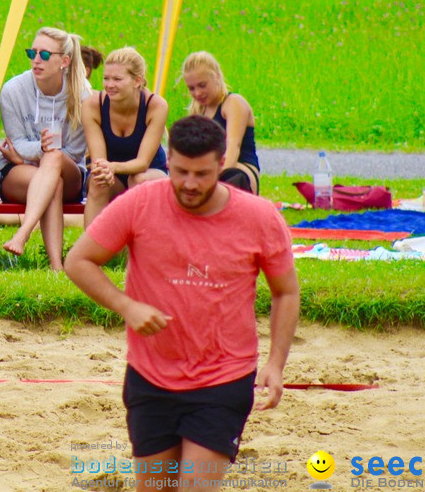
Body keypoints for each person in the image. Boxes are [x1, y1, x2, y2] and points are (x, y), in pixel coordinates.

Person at [64, 115, 299, 490]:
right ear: (167, 161)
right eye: (180, 171)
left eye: (202, 174)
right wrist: (126, 306)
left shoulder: (259, 217)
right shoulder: (141, 202)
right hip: (150, 375)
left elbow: (285, 291)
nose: (189, 184)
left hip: (224, 377)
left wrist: (275, 363)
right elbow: (77, 261)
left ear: (222, 165)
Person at [0, 26, 89, 270]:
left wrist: (41, 154)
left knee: (54, 159)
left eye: (44, 55)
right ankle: (57, 266)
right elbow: (16, 142)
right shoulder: (13, 90)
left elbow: (76, 153)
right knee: (51, 179)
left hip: (68, 173)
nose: (36, 60)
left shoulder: (81, 94)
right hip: (22, 173)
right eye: (32, 53)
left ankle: (23, 233)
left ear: (64, 61)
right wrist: (39, 149)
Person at [82, 47, 168, 228]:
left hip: (148, 172)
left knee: (138, 180)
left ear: (137, 81)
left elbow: (142, 163)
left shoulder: (155, 105)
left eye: (117, 79)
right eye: (106, 78)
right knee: (98, 181)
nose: (109, 85)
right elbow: (99, 160)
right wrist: (105, 168)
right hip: (111, 174)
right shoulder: (93, 105)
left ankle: (139, 251)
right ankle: (91, 251)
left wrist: (112, 167)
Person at [181, 51, 260, 194]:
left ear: (216, 76)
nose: (197, 93)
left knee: (230, 177)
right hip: (210, 170)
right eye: (191, 88)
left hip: (239, 170)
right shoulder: (198, 112)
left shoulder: (233, 102)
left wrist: (208, 181)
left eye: (202, 85)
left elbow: (232, 149)